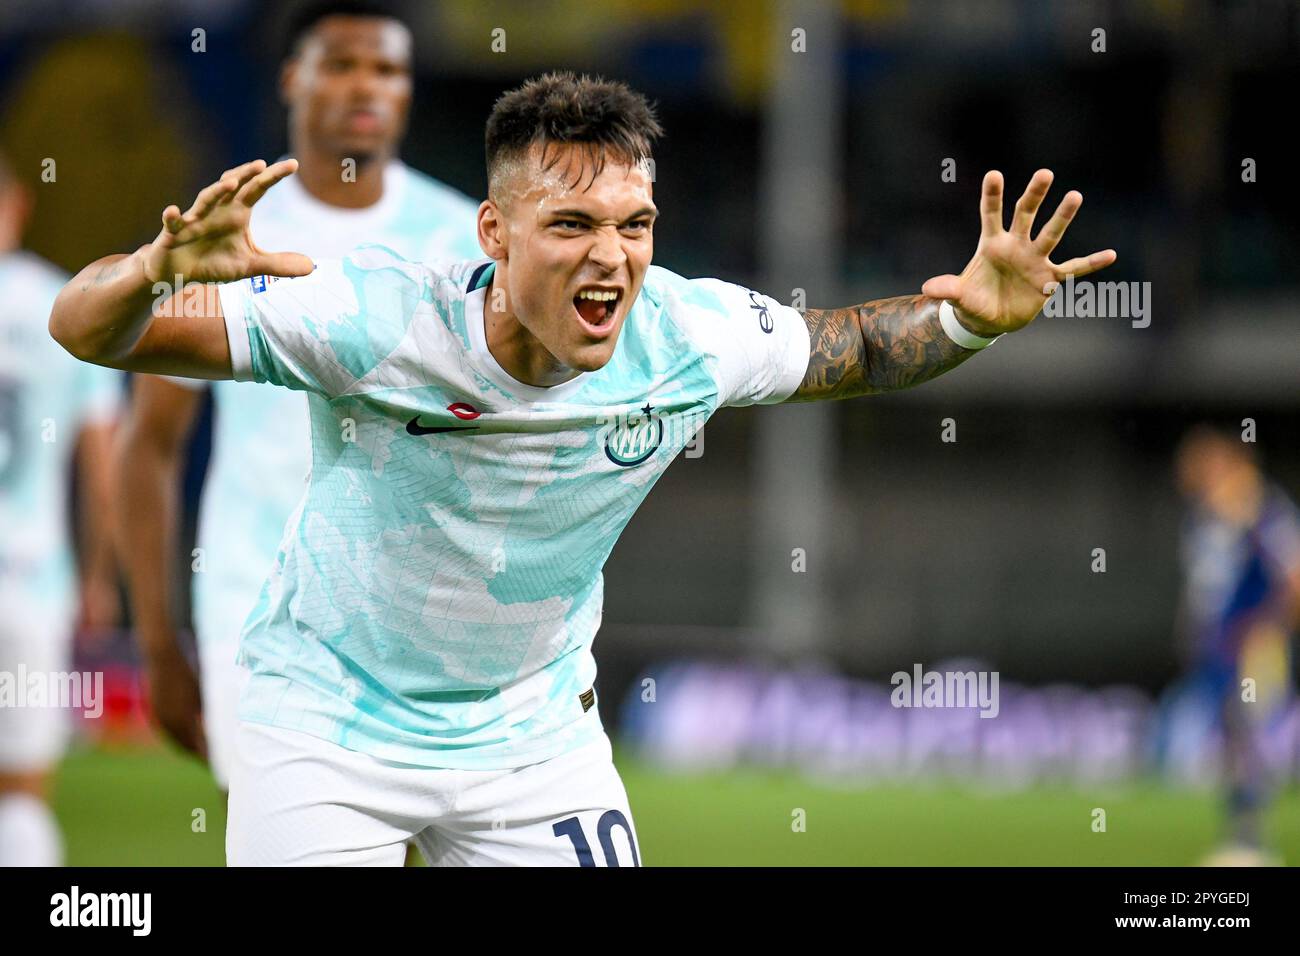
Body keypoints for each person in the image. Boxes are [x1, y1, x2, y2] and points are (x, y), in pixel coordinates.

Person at [49, 71, 1116, 866]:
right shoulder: (370, 318)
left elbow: (862, 347)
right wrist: (151, 271)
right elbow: (86, 327)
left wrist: (970, 318)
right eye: (571, 224)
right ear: (494, 233)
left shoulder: (686, 336)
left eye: (634, 225)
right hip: (329, 725)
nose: (612, 256)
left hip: (531, 742)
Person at [114, 0, 481, 791]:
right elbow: (148, 443)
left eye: (385, 68)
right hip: (254, 606)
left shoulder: (462, 239)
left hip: (417, 612)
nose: (365, 87)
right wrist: (155, 642)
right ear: (291, 78)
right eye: (340, 64)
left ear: (408, 89)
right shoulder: (226, 234)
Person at [0, 152, 121, 866]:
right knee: (21, 792)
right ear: (19, 208)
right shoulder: (63, 308)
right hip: (31, 578)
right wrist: (98, 578)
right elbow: (102, 467)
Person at [1173, 425, 1300, 866]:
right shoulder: (1204, 516)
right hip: (1217, 646)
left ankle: (1251, 838)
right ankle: (1241, 834)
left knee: (1246, 731)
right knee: (1230, 736)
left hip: (1250, 644)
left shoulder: (1262, 511)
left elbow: (1293, 576)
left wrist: (1267, 626)